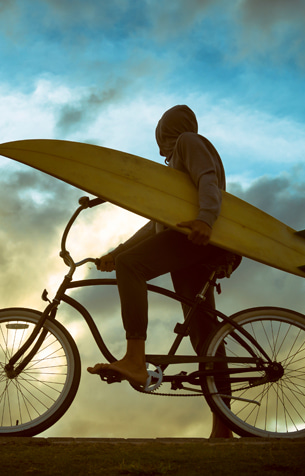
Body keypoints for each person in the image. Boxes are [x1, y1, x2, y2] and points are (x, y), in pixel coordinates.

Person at [87, 104, 238, 438]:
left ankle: (134, 359)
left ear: (168, 131)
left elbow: (208, 179)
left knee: (132, 268)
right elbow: (158, 224)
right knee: (204, 336)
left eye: (161, 133)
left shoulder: (188, 142)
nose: (160, 143)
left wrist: (205, 219)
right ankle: (225, 425)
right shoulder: (174, 166)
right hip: (193, 241)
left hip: (196, 236)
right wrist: (117, 252)